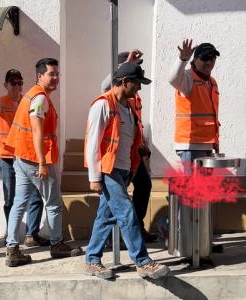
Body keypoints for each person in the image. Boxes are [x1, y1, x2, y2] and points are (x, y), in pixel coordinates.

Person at [84, 63, 170, 279]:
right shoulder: (102, 105)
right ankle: (142, 261)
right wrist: (94, 177)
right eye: (137, 84)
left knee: (105, 217)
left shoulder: (129, 108)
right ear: (124, 82)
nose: (138, 89)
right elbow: (92, 144)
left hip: (123, 169)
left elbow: (130, 139)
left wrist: (134, 164)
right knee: (126, 212)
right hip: (108, 170)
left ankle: (92, 259)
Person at [3, 58, 83, 267]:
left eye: (57, 74)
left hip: (21, 157)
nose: (56, 78)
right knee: (54, 202)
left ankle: (12, 249)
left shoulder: (31, 94)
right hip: (34, 159)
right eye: (52, 74)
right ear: (40, 76)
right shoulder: (39, 99)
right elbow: (37, 131)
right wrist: (42, 163)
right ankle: (57, 245)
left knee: (19, 203)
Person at [0, 69, 48, 247]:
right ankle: (12, 236)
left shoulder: (27, 102)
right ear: (6, 85)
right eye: (13, 83)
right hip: (7, 157)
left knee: (35, 197)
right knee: (11, 199)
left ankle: (31, 235)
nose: (18, 86)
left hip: (26, 156)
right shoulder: (0, 103)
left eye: (20, 82)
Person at [169, 39, 223, 253]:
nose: (209, 62)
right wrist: (182, 58)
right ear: (195, 59)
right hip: (189, 145)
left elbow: (212, 115)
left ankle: (201, 242)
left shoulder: (212, 82)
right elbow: (172, 78)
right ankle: (186, 245)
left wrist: (215, 142)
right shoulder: (187, 79)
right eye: (205, 58)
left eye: (213, 58)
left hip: (206, 145)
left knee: (203, 195)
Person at [101, 50, 157, 243]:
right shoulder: (113, 91)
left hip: (133, 151)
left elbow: (136, 124)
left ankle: (136, 227)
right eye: (132, 65)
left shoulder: (134, 95)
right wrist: (124, 65)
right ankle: (114, 236)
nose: (138, 67)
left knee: (144, 185)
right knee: (116, 200)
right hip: (116, 156)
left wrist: (142, 144)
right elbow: (105, 85)